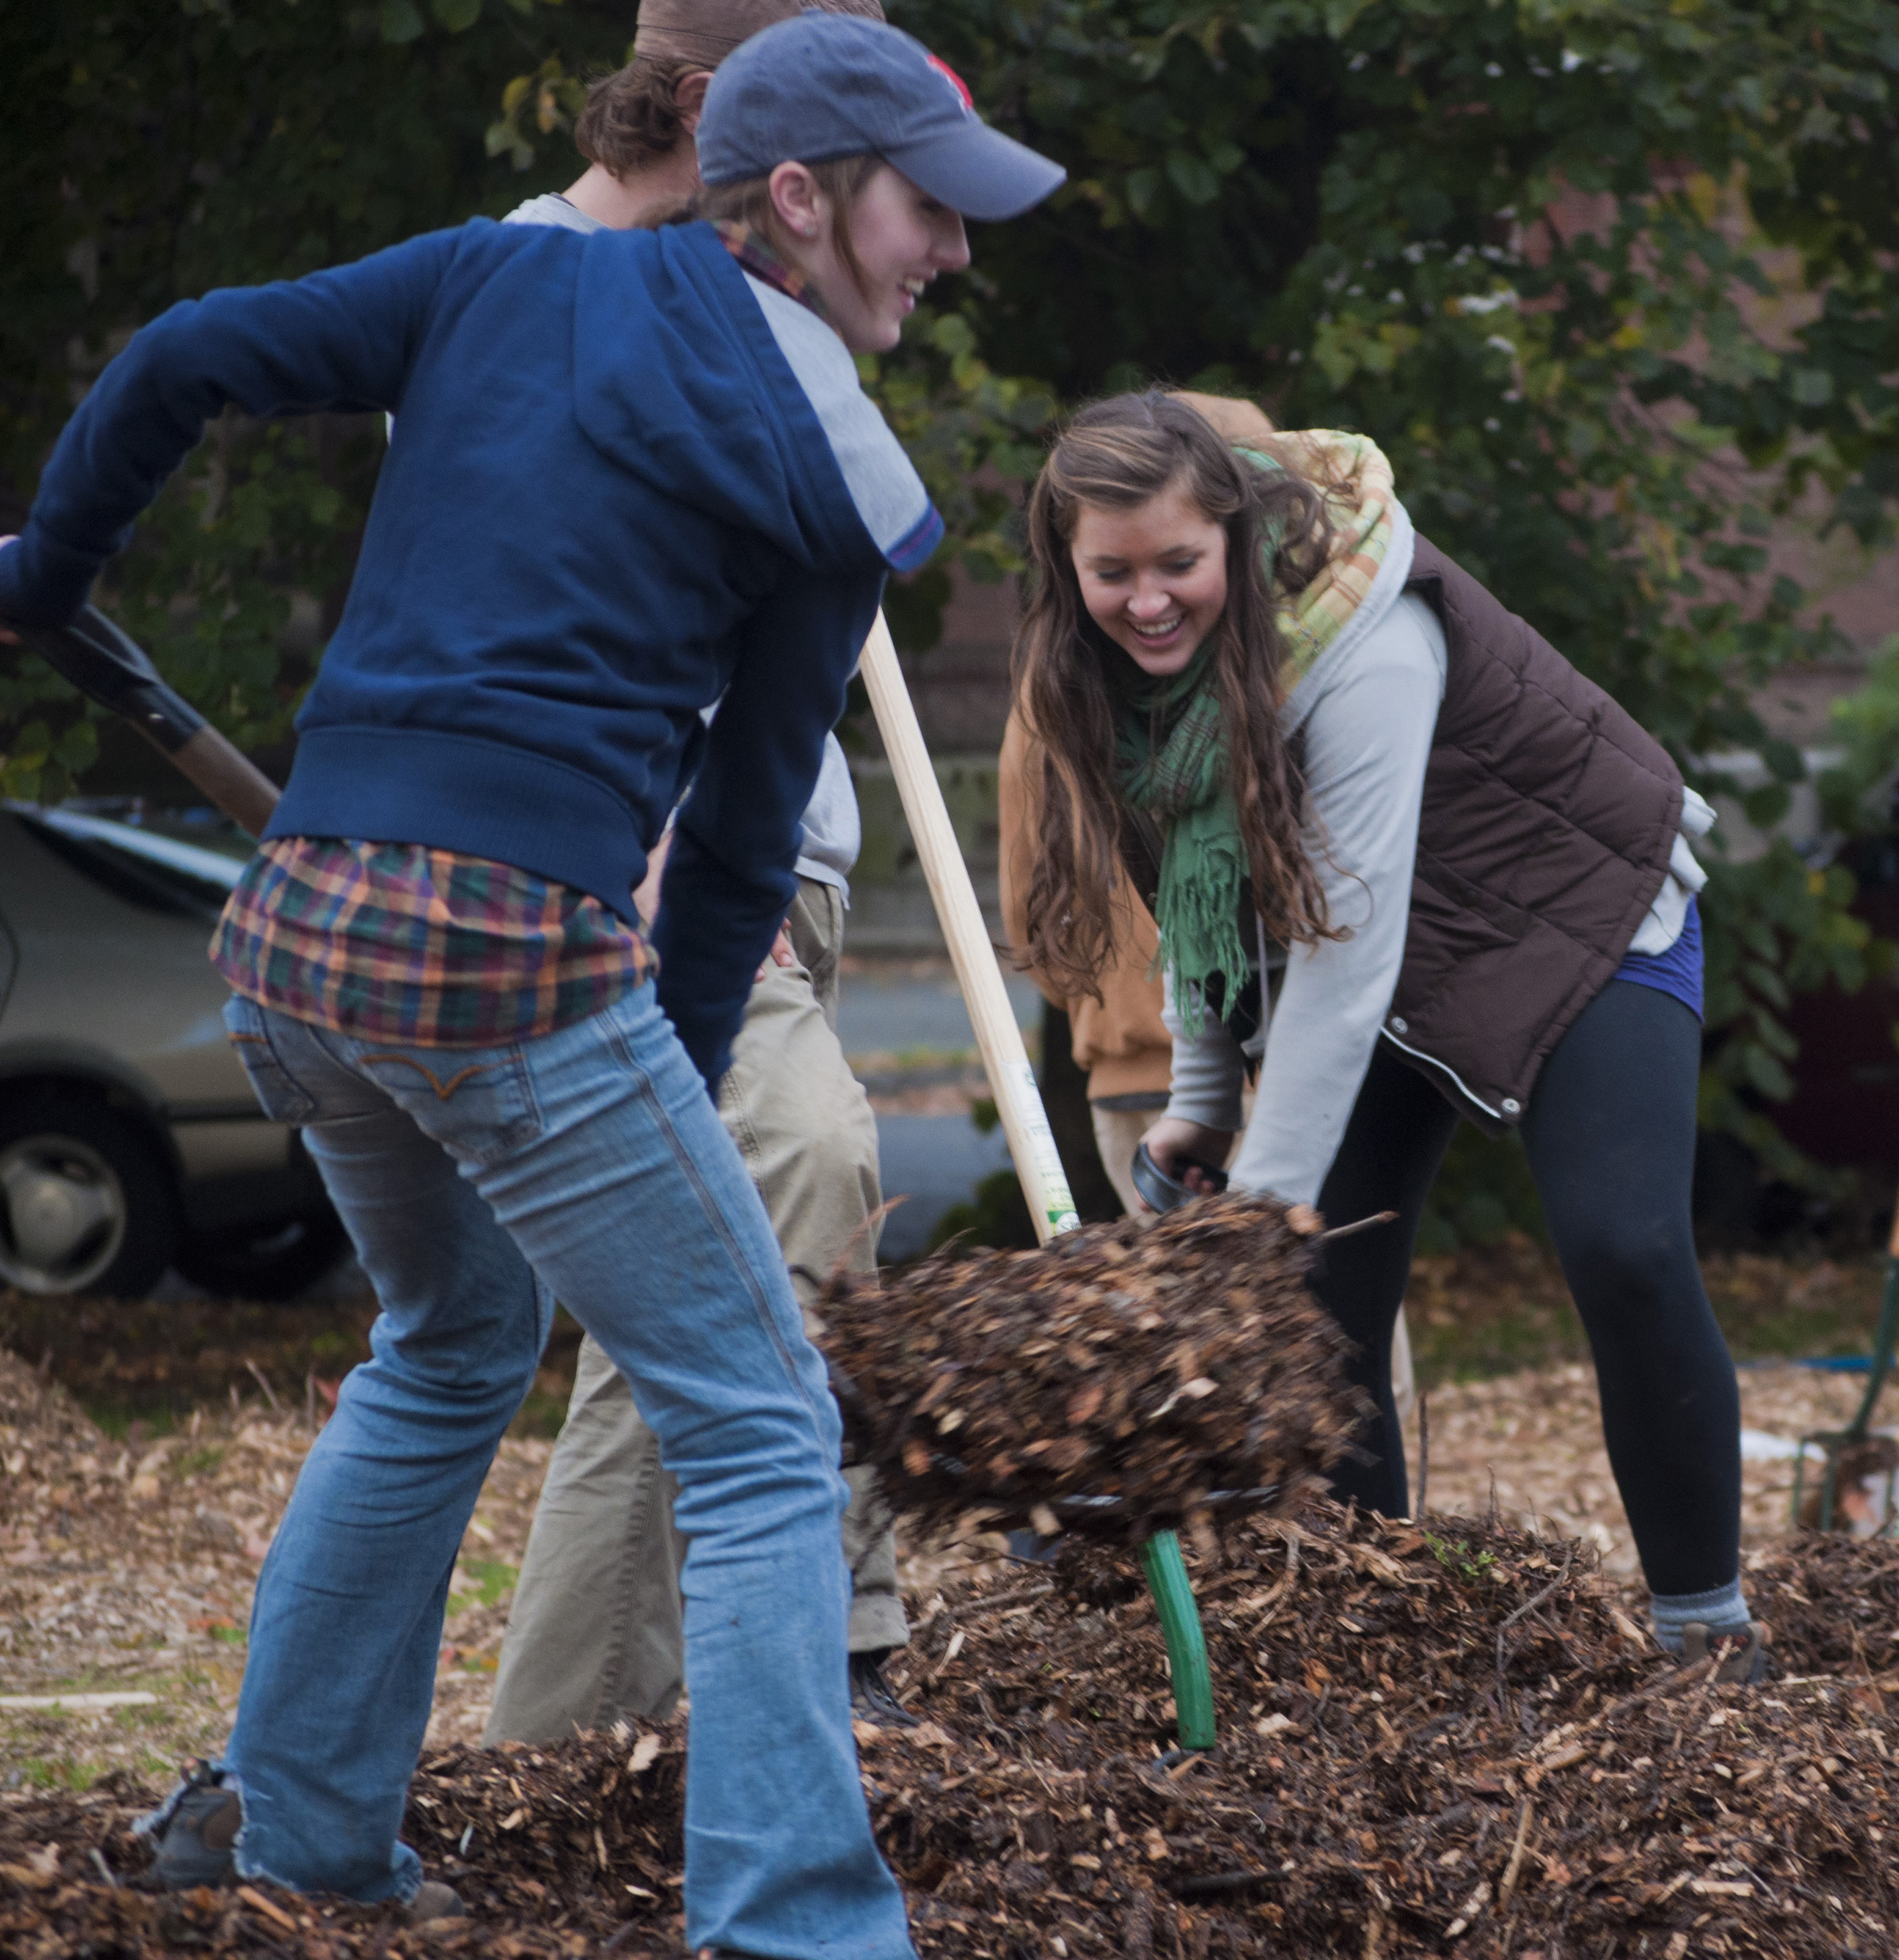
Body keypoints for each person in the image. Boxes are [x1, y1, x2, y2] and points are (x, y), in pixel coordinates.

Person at [0, 15, 1060, 1949]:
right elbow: (743, 843)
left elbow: (178, 357)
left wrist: (45, 572)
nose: (959, 254)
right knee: (755, 1425)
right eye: (934, 211)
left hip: (296, 933)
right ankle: (799, 1920)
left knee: (445, 1353)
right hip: (505, 955)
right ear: (805, 199)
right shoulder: (830, 455)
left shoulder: (502, 274)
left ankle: (309, 1846)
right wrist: (662, 1030)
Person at [1005, 393, 1762, 1674]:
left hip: (1568, 919)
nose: (1145, 598)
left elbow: (1344, 954)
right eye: (1112, 571)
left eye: (1176, 563)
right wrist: (1205, 1096)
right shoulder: (1117, 673)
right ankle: (1377, 1629)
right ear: (1067, 564)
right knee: (1324, 1301)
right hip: (1372, 955)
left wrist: (1250, 1222)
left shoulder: (1369, 638)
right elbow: (1207, 881)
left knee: (1622, 1246)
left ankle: (1705, 1629)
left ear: (1236, 540)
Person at [482, 0, 913, 1746]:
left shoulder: (760, 288)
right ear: (740, 113)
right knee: (786, 1189)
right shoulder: (534, 278)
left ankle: (774, 1671)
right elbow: (532, 607)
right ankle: (575, 1739)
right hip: (645, 887)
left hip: (769, 875)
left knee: (748, 1272)